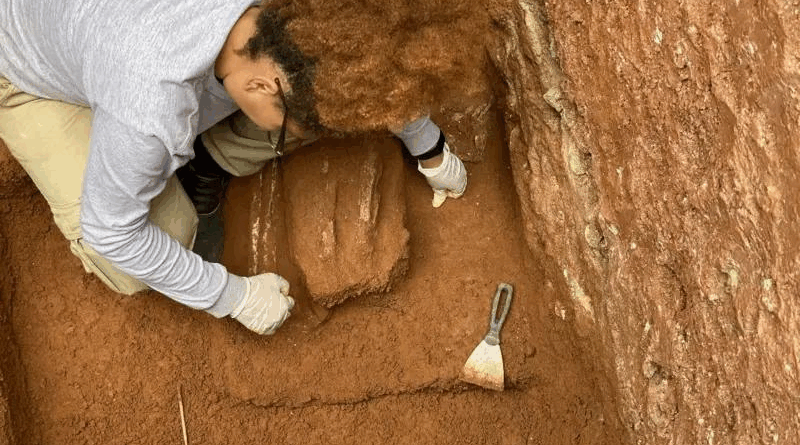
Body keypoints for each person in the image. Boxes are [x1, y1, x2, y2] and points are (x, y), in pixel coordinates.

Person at [0, 0, 468, 335]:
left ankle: (205, 162)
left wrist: (426, 141)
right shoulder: (148, 104)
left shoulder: (295, 22)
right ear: (262, 84)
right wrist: (230, 296)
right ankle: (159, 159)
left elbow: (356, 53)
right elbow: (111, 232)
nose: (295, 138)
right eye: (292, 132)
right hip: (29, 69)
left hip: (113, 44)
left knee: (319, 107)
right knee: (149, 250)